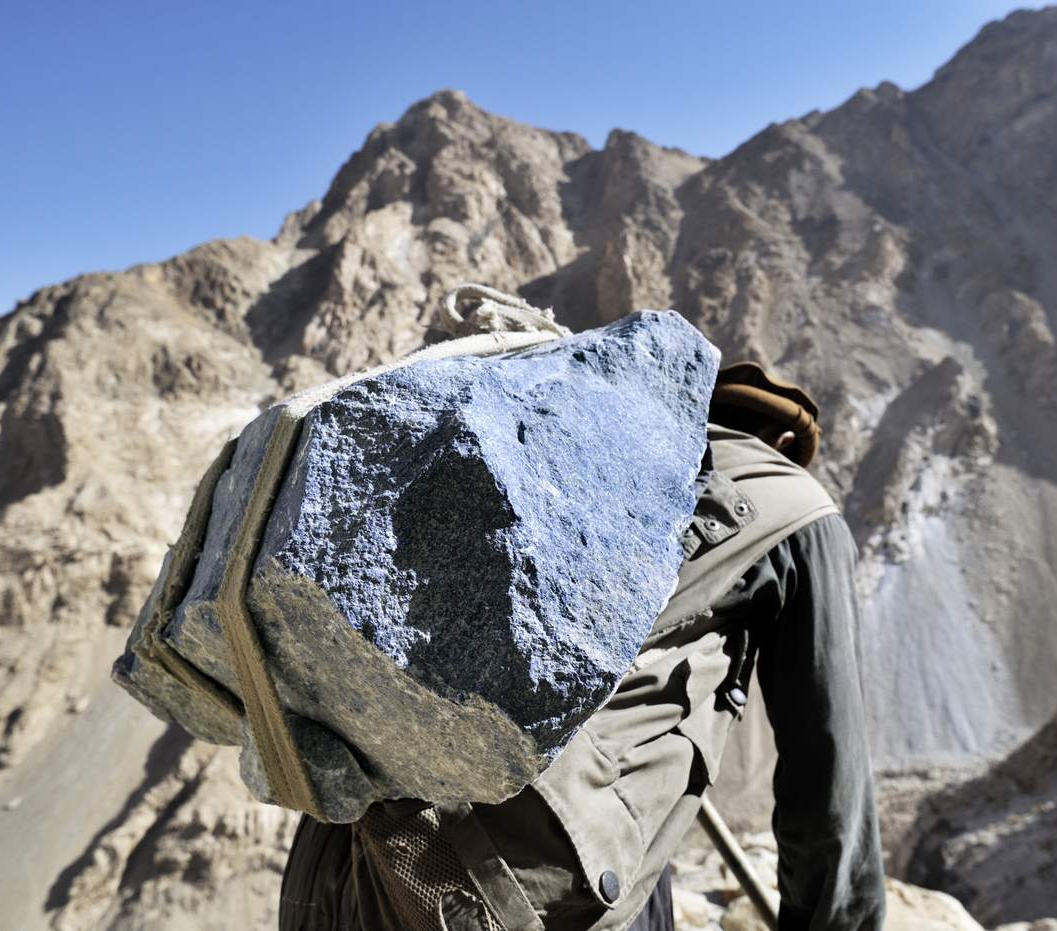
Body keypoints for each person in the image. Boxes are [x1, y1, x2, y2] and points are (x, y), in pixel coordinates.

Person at [280, 361, 886, 931]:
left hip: (331, 847)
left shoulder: (574, 451)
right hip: (487, 881)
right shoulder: (794, 504)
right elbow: (828, 772)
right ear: (782, 447)